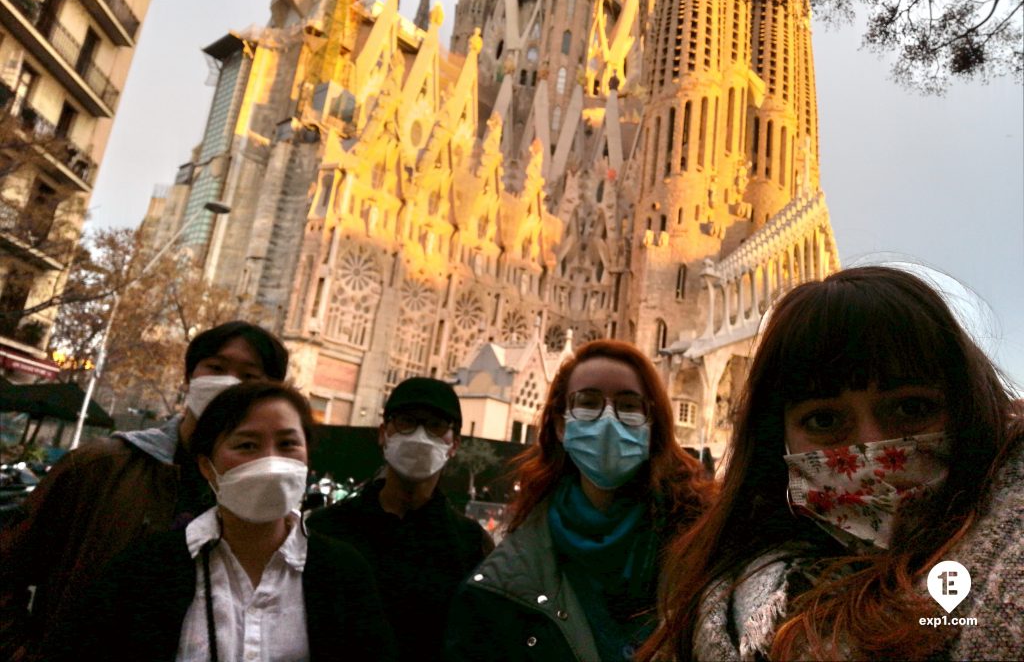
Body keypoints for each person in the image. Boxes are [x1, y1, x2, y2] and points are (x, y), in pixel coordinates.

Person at [640, 266, 1024, 661]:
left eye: (911, 408)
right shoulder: (716, 609)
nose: (872, 446)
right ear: (777, 441)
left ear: (970, 409)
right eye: (825, 420)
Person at [0, 321, 288, 662]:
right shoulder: (99, 468)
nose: (228, 383)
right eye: (216, 367)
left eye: (248, 376)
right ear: (189, 378)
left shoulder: (271, 508)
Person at [52, 380, 395, 661]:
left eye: (288, 443)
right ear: (207, 466)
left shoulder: (344, 574)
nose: (270, 462)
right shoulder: (146, 568)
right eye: (247, 445)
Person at [444, 339, 713, 661]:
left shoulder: (706, 552)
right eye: (588, 402)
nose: (608, 419)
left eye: (628, 406)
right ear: (560, 425)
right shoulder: (503, 583)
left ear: (652, 425)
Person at [307, 376, 493, 662]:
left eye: (435, 426)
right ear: (383, 433)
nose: (420, 436)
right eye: (407, 421)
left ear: (454, 445)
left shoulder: (472, 545)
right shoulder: (324, 530)